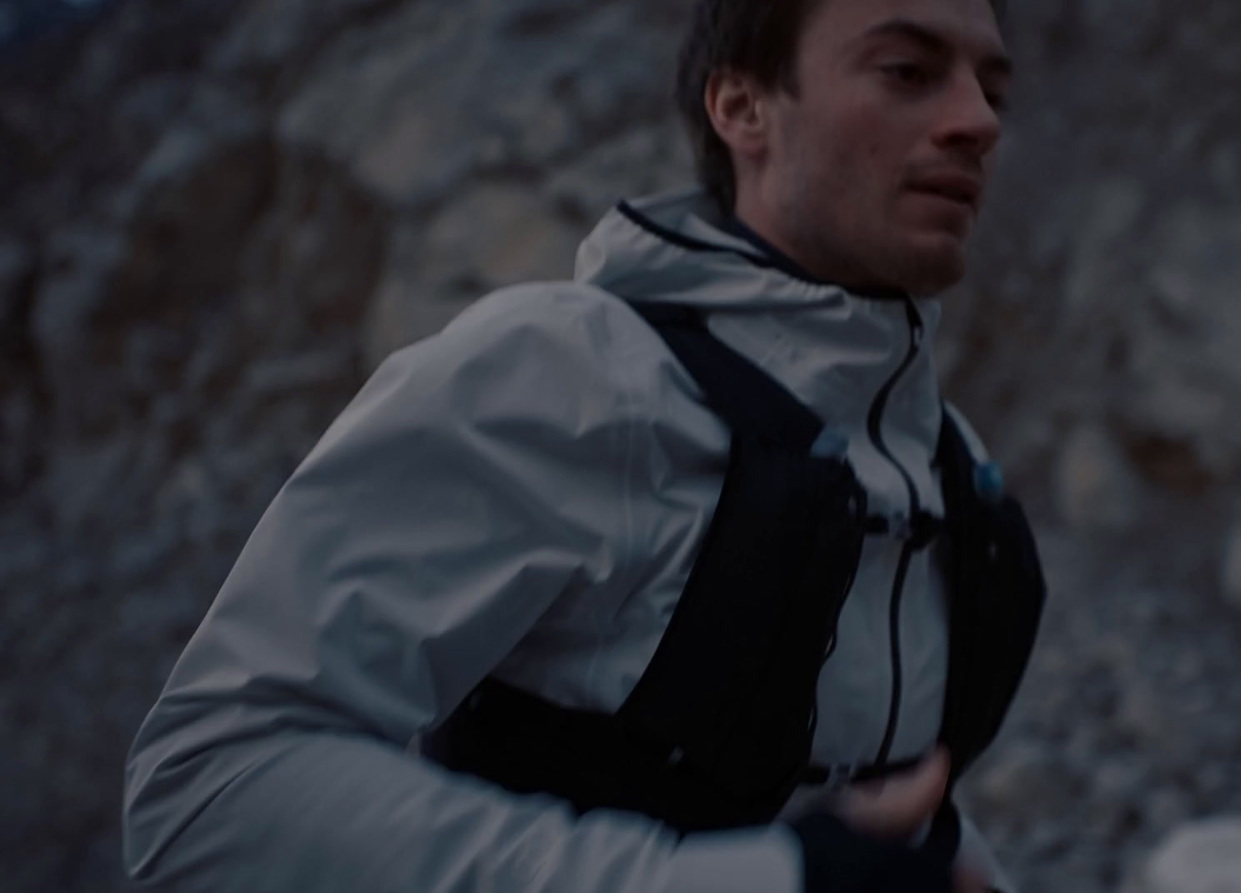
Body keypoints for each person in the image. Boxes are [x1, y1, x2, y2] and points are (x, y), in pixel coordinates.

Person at [122, 0, 1044, 891]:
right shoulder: (566, 375)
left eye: (991, 89)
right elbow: (206, 789)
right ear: (742, 107)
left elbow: (880, 818)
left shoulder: (949, 462)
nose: (975, 121)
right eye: (907, 72)